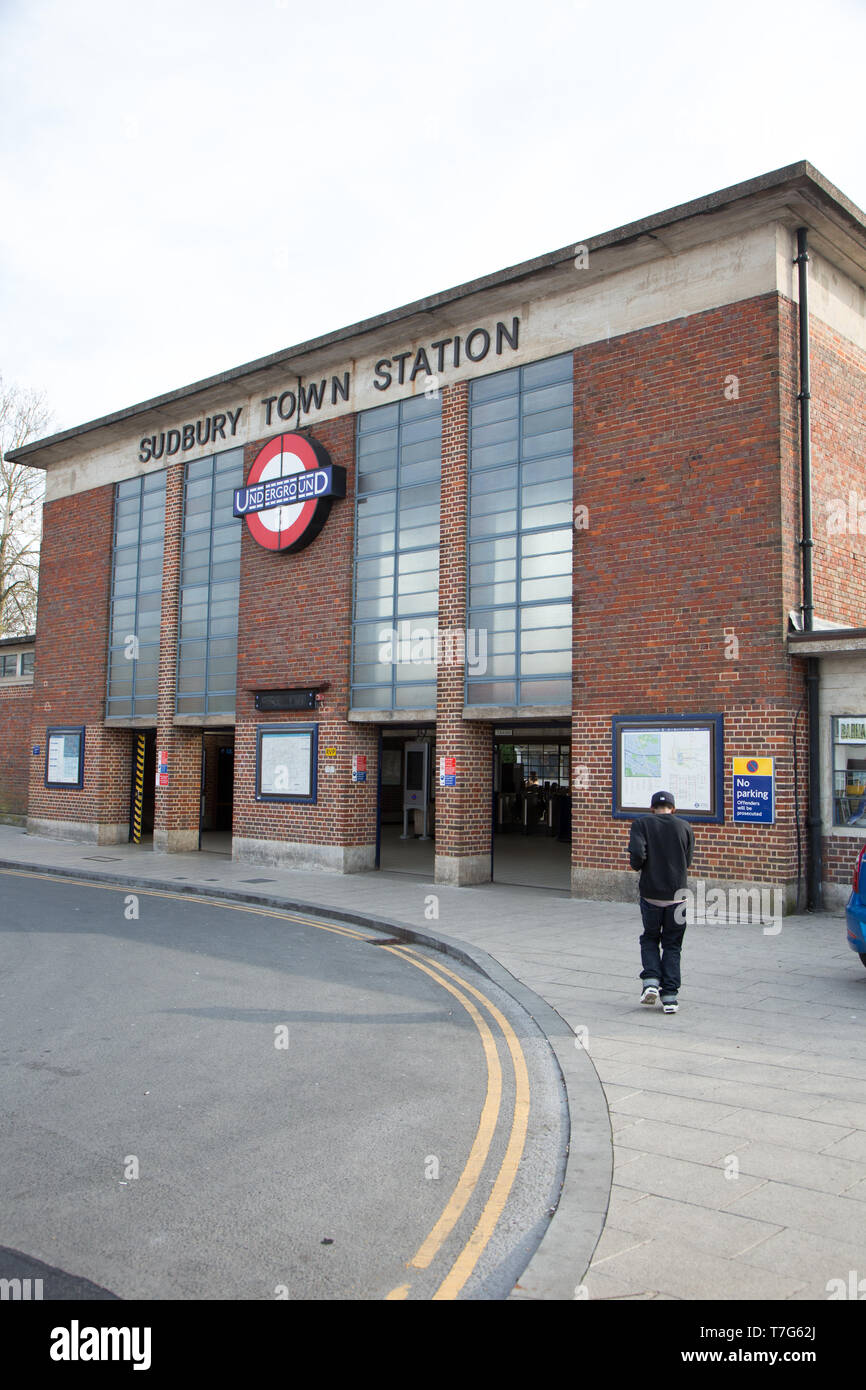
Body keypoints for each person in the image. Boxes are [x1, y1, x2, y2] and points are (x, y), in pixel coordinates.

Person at [628, 790, 694, 1014]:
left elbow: (637, 853)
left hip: (651, 893)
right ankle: (670, 997)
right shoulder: (684, 826)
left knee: (650, 937)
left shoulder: (642, 824)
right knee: (673, 944)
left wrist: (638, 865)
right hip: (678, 895)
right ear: (673, 809)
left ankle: (651, 981)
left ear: (651, 808)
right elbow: (688, 859)